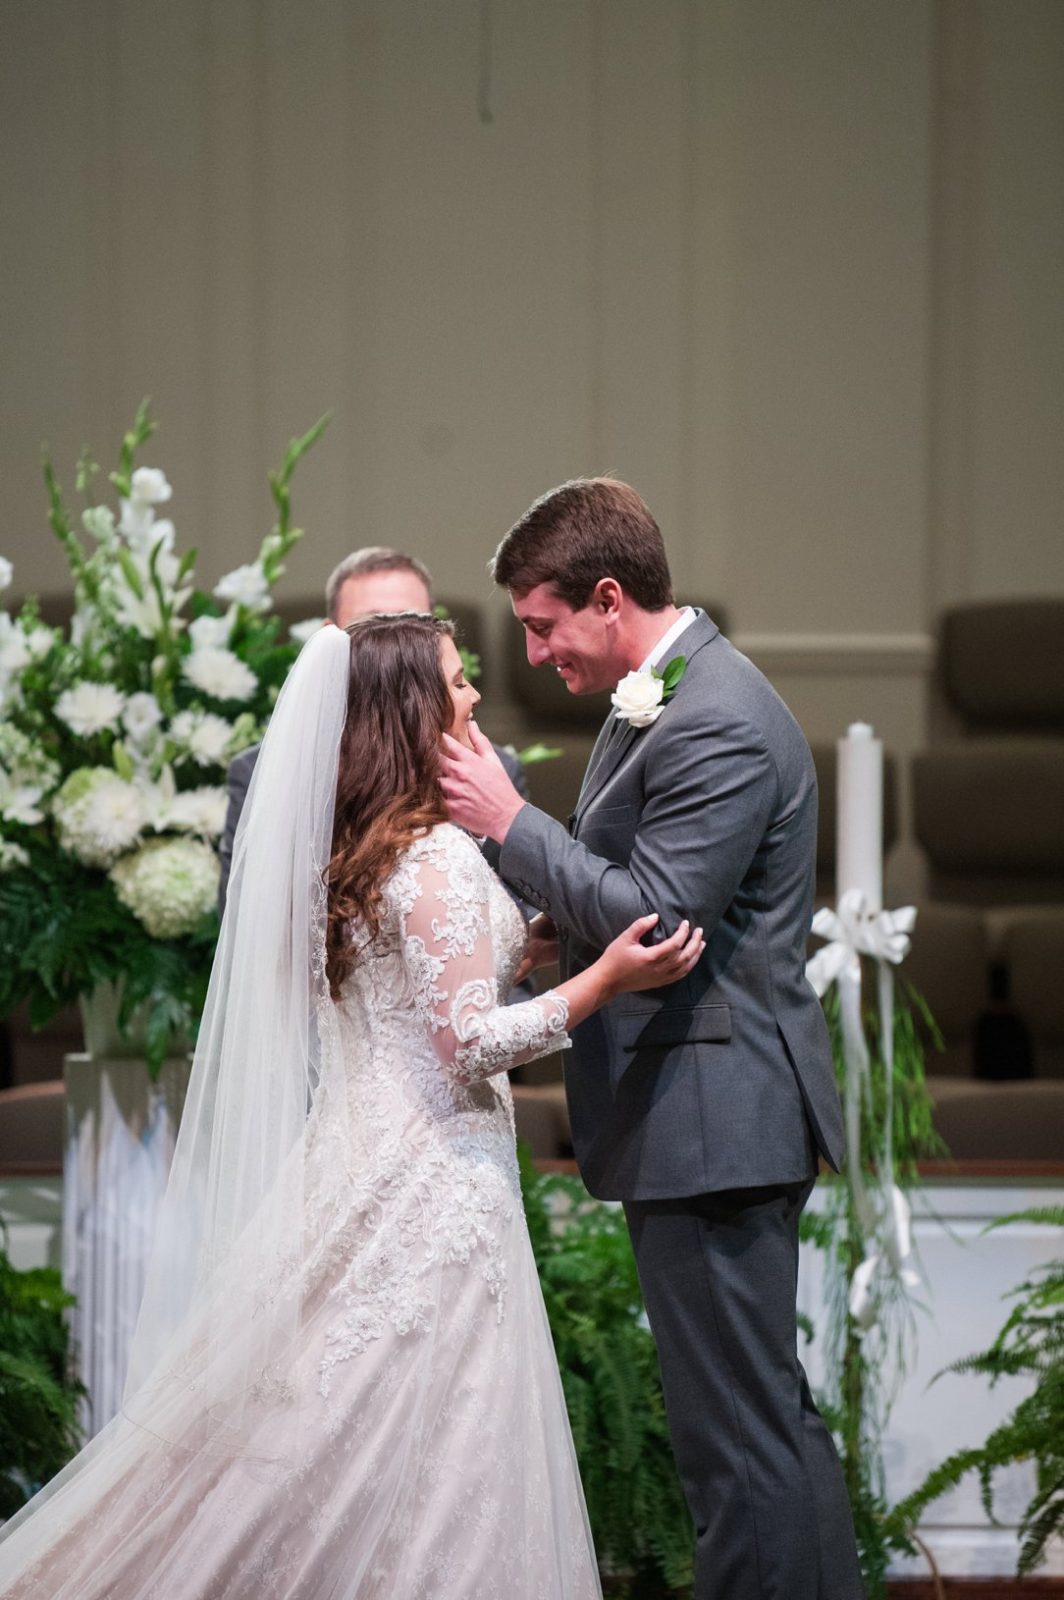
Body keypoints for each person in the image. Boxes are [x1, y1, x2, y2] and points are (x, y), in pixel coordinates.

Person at [0, 613, 703, 1599]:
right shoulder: (438, 856)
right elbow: (469, 1041)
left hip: (360, 1154)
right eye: (456, 681)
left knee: (344, 1431)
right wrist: (606, 982)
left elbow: (418, 979)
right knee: (434, 1438)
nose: (474, 697)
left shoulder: (359, 852)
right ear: (412, 711)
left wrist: (529, 943)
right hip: (431, 1181)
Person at [440, 479, 865, 1600]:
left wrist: (508, 823)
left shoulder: (717, 714)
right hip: (701, 1113)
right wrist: (543, 929)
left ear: (607, 597)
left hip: (716, 1116)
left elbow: (659, 917)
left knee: (738, 1448)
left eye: (543, 626)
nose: (535, 654)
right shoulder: (667, 695)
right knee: (757, 1425)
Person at [217, 544, 528, 911]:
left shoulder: (495, 769)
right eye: (374, 624)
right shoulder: (266, 773)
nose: (395, 645)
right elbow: (249, 920)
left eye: (412, 623)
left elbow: (520, 917)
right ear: (330, 637)